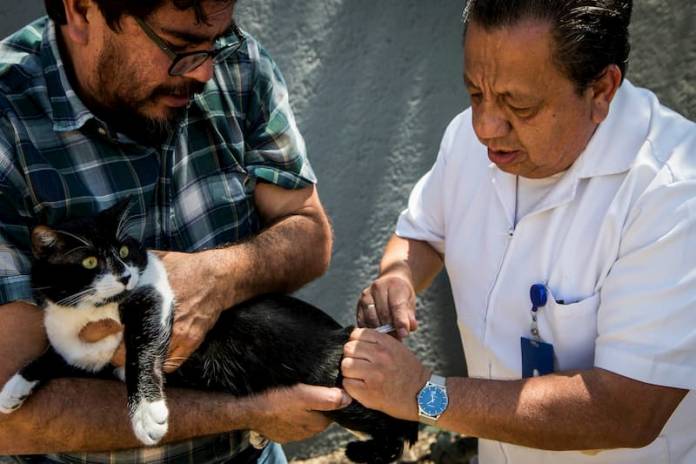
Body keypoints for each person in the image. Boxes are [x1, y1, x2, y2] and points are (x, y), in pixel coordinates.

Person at [341, 0, 696, 463]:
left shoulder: (673, 193)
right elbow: (424, 233)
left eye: (519, 105)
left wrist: (423, 396)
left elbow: (626, 411)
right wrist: (399, 275)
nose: (486, 127)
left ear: (602, 90)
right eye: (474, 93)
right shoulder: (467, 141)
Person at [0, 0, 350, 462]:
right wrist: (250, 410)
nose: (205, 72)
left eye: (215, 42)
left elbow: (309, 233)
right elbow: (11, 419)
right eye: (181, 44)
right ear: (82, 13)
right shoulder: (9, 124)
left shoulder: (240, 65)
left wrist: (217, 277)